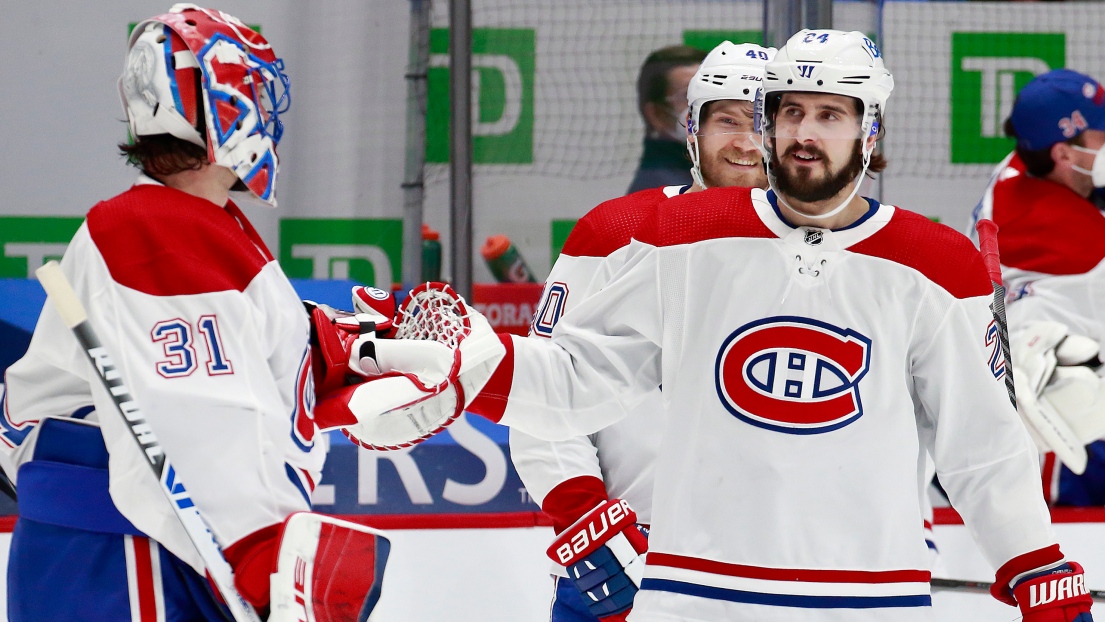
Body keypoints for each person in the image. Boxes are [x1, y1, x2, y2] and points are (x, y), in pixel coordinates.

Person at [340, 29, 1094, 621]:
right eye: (789, 112)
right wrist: (481, 368)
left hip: (870, 596)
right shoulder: (681, 234)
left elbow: (979, 445)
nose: (801, 133)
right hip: (688, 593)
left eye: (831, 114)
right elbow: (580, 378)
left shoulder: (936, 262)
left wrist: (1029, 560)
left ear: (868, 133)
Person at [0, 7, 386, 620]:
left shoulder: (195, 225)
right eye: (249, 91)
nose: (264, 109)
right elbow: (201, 424)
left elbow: (225, 370)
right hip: (124, 559)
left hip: (134, 551)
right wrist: (265, 560)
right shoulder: (155, 231)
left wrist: (338, 351)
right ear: (211, 107)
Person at [512, 41, 774, 622]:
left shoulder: (839, 254)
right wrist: (587, 522)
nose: (746, 140)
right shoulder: (617, 233)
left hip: (774, 571)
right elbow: (544, 395)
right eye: (727, 119)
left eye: (764, 120)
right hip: (625, 563)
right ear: (691, 130)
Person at [970, 68, 1105, 507]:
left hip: (1016, 385)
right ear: (1065, 153)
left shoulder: (1014, 167)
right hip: (1055, 440)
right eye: (1101, 135)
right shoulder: (1080, 241)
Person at [626, 45, 707, 193]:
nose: (705, 105)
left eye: (709, 92)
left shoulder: (707, 171)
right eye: (687, 95)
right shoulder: (665, 190)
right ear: (656, 114)